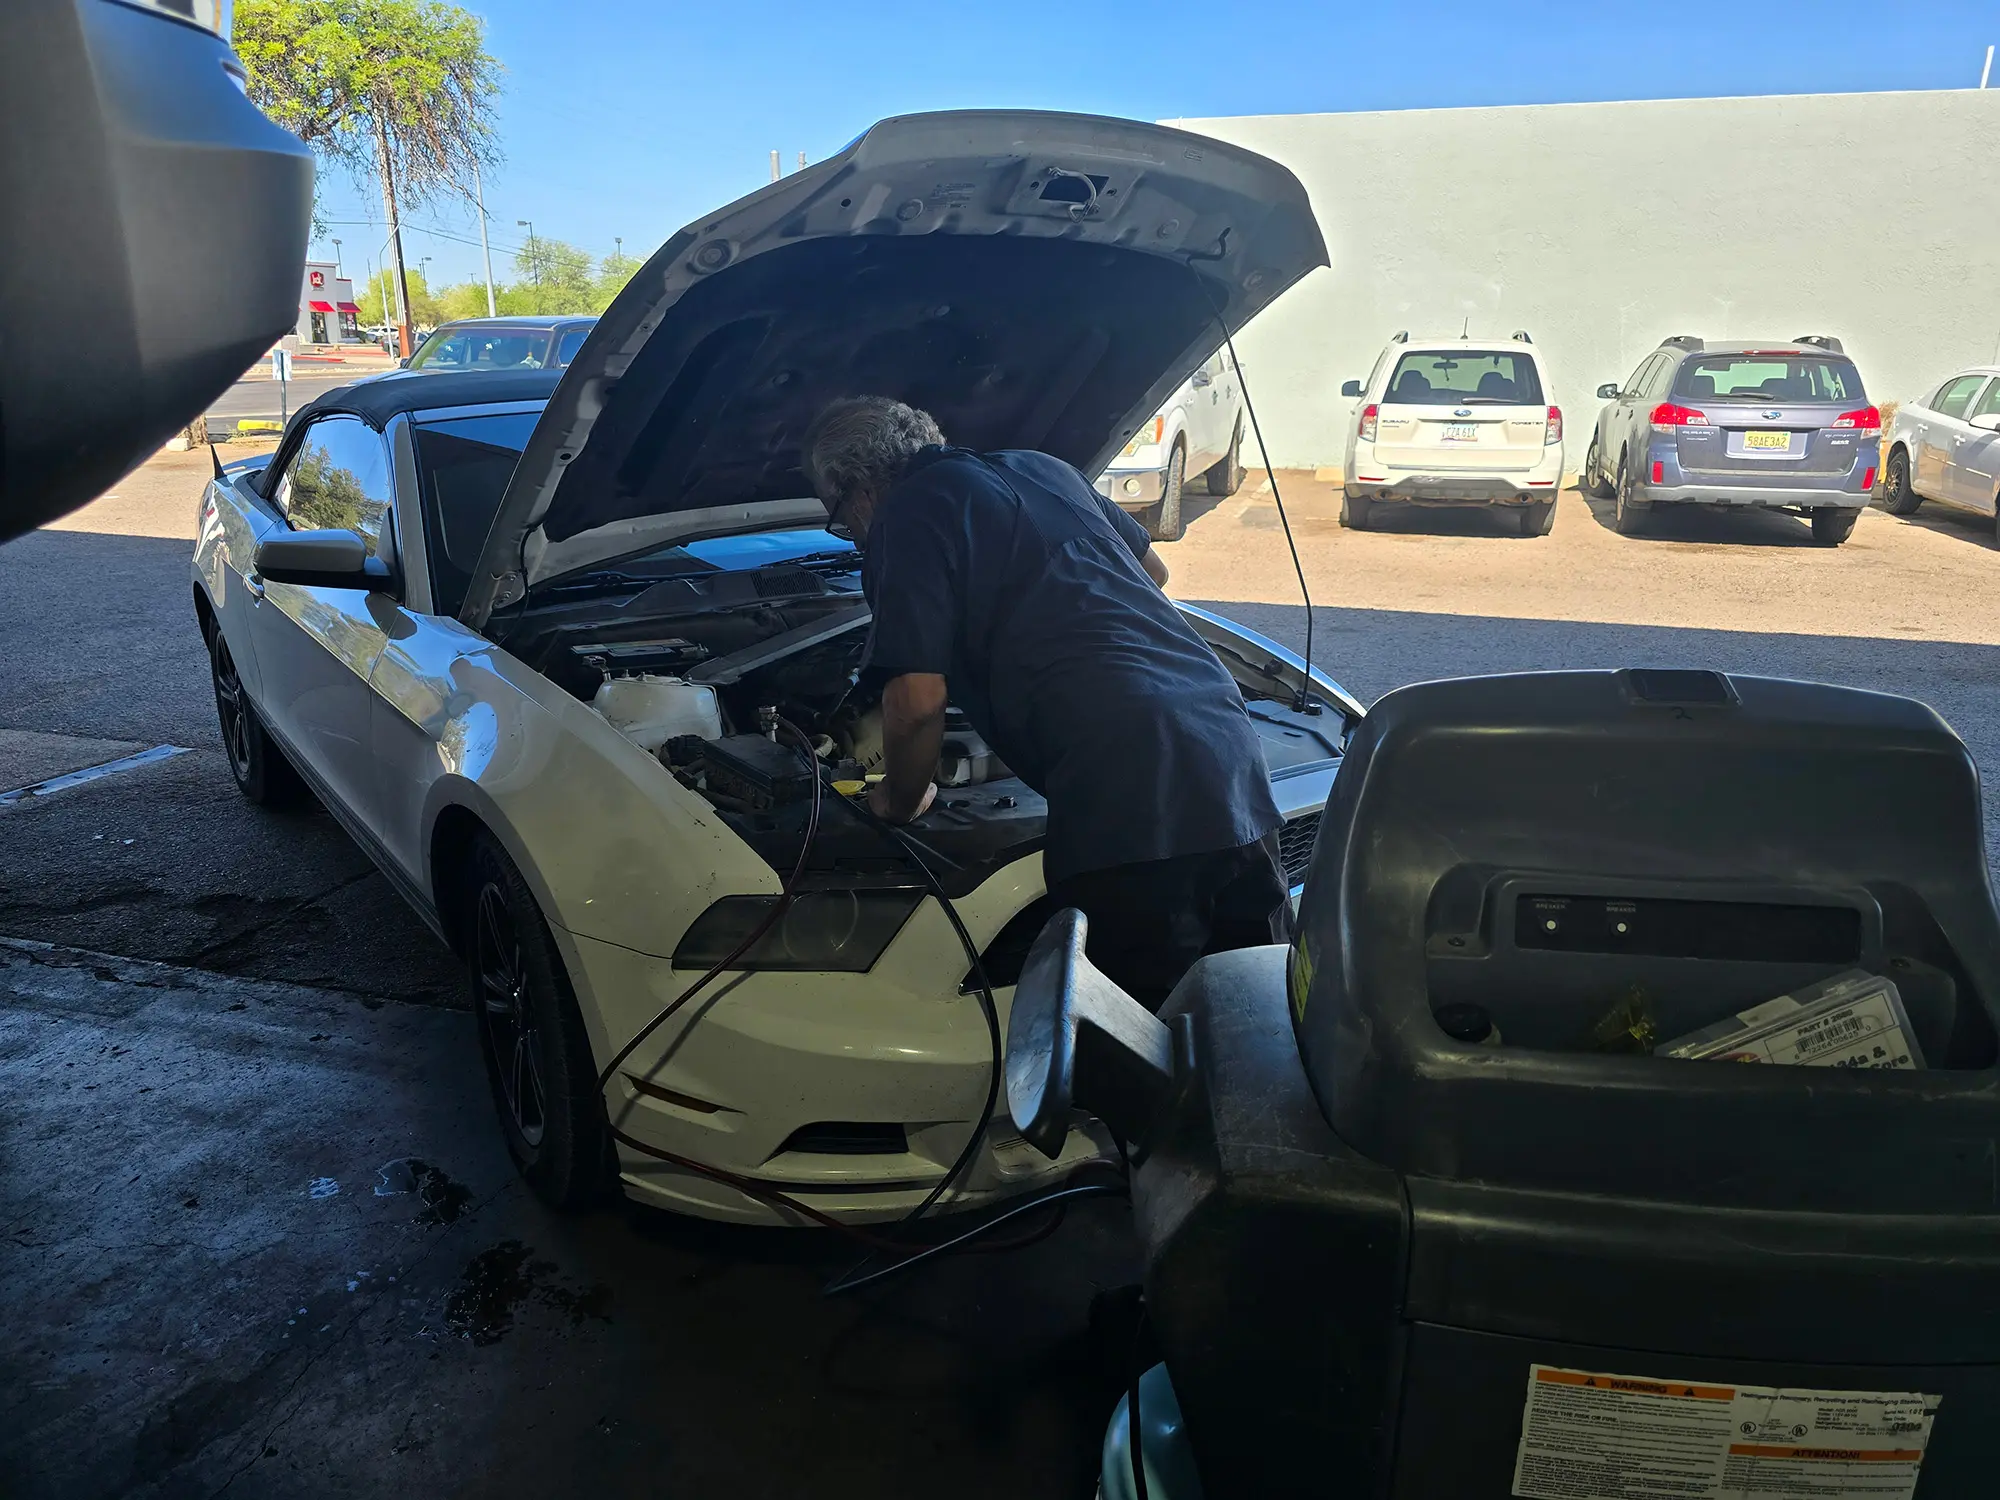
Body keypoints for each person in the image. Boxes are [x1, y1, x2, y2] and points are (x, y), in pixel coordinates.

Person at [802, 395, 1291, 1009]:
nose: (849, 534)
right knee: (1255, 1010)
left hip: (1130, 788)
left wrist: (899, 801)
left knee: (1138, 1029)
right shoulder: (1046, 468)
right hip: (1225, 741)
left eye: (838, 516)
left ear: (855, 485)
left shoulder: (910, 513)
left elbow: (918, 700)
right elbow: (1155, 573)